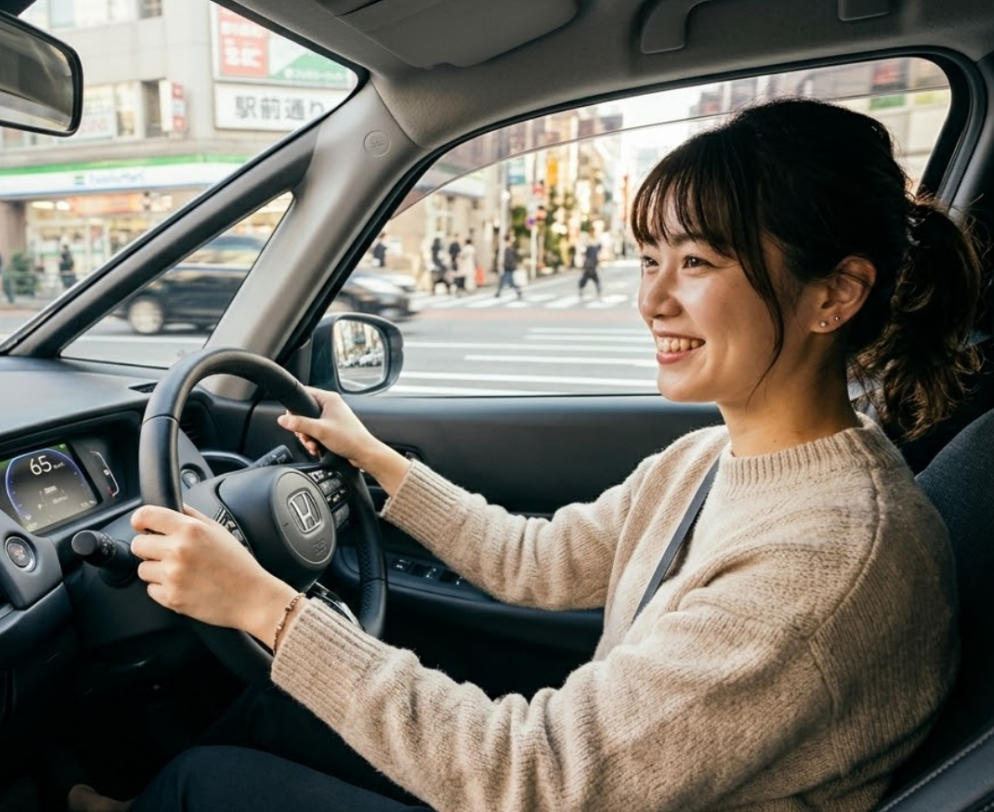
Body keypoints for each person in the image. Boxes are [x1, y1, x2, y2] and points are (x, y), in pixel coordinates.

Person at [71, 98, 982, 812]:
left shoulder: (827, 567)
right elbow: (533, 559)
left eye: (698, 263)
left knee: (207, 784)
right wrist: (373, 458)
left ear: (835, 296)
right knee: (279, 708)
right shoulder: (712, 459)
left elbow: (539, 779)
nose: (653, 301)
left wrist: (264, 607)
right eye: (647, 258)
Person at [494, 234, 523, 298]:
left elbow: (509, 257)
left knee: (508, 281)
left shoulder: (508, 247)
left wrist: (504, 264)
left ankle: (518, 291)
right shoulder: (510, 246)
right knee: (505, 280)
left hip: (508, 267)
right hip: (509, 266)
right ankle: (498, 293)